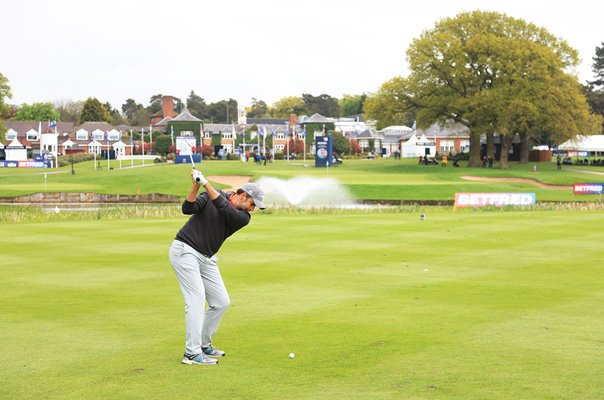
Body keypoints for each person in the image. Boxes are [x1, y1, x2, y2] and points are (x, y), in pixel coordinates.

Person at [169, 169, 265, 365]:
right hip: (185, 250)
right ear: (242, 195)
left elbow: (224, 209)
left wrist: (205, 183)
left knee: (221, 302)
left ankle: (204, 344)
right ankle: (192, 353)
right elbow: (188, 209)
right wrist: (196, 185)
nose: (252, 208)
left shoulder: (243, 218)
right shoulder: (215, 194)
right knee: (196, 299)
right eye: (252, 203)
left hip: (206, 257)